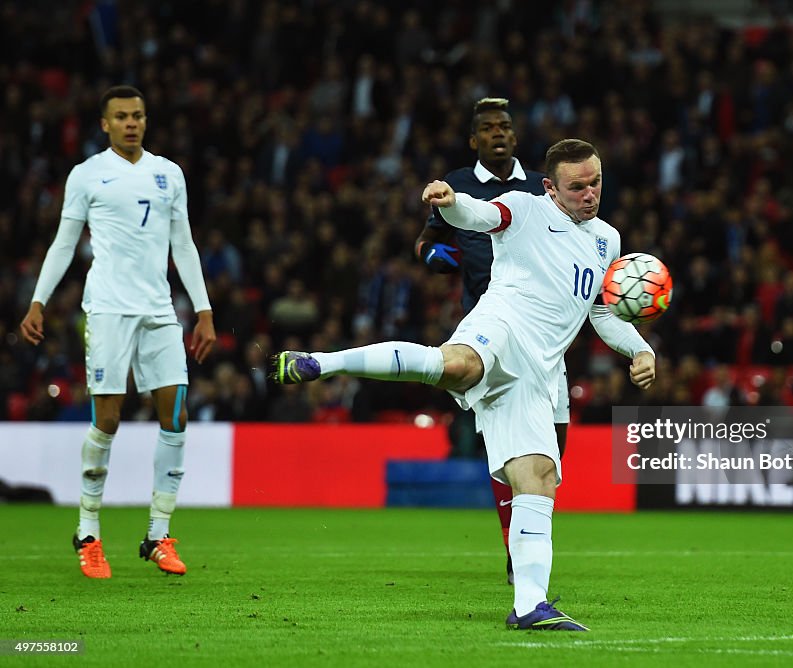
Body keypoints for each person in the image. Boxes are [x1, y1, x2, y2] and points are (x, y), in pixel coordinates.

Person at [270, 139, 656, 631]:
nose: (589, 193)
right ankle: (322, 363)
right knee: (458, 365)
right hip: (501, 324)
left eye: (595, 182)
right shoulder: (524, 208)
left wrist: (640, 349)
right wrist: (451, 203)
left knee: (537, 478)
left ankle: (529, 607)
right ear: (550, 188)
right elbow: (480, 215)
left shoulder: (608, 240)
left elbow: (602, 312)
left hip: (538, 371)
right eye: (577, 186)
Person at [19, 85, 216, 579]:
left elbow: (184, 245)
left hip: (158, 311)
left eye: (138, 116)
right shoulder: (87, 175)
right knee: (107, 421)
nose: (131, 123)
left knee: (176, 416)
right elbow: (64, 244)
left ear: (146, 121)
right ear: (105, 124)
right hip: (108, 310)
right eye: (122, 117)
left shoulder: (169, 173)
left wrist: (204, 308)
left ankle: (158, 535)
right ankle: (88, 533)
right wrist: (38, 301)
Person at [414, 97, 551, 585]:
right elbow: (426, 243)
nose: (498, 134)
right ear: (474, 140)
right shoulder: (457, 184)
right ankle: (518, 549)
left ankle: (525, 537)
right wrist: (441, 257)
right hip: (488, 327)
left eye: (506, 127)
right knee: (504, 441)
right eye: (488, 128)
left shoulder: (540, 188)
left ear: (515, 136)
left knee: (551, 448)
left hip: (542, 331)